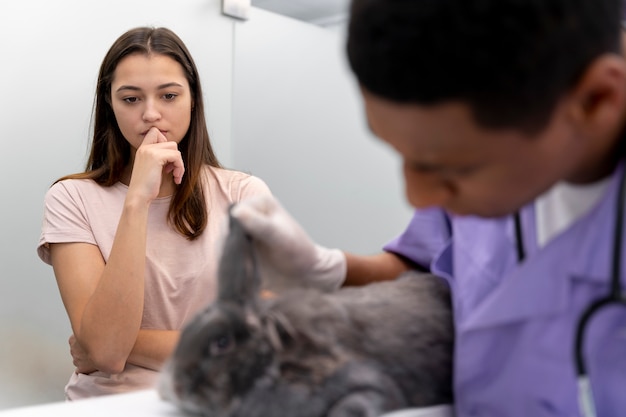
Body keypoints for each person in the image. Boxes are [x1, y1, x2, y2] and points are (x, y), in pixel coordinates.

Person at [231, 1, 626, 416]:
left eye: (448, 167)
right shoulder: (483, 161)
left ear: (596, 101)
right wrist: (326, 268)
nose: (416, 196)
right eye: (400, 154)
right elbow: (431, 269)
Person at [37, 26, 272, 400]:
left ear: (192, 98)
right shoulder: (71, 198)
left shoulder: (243, 194)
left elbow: (264, 339)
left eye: (168, 95)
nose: (151, 114)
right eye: (130, 99)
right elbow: (107, 354)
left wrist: (118, 343)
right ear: (110, 106)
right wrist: (136, 202)